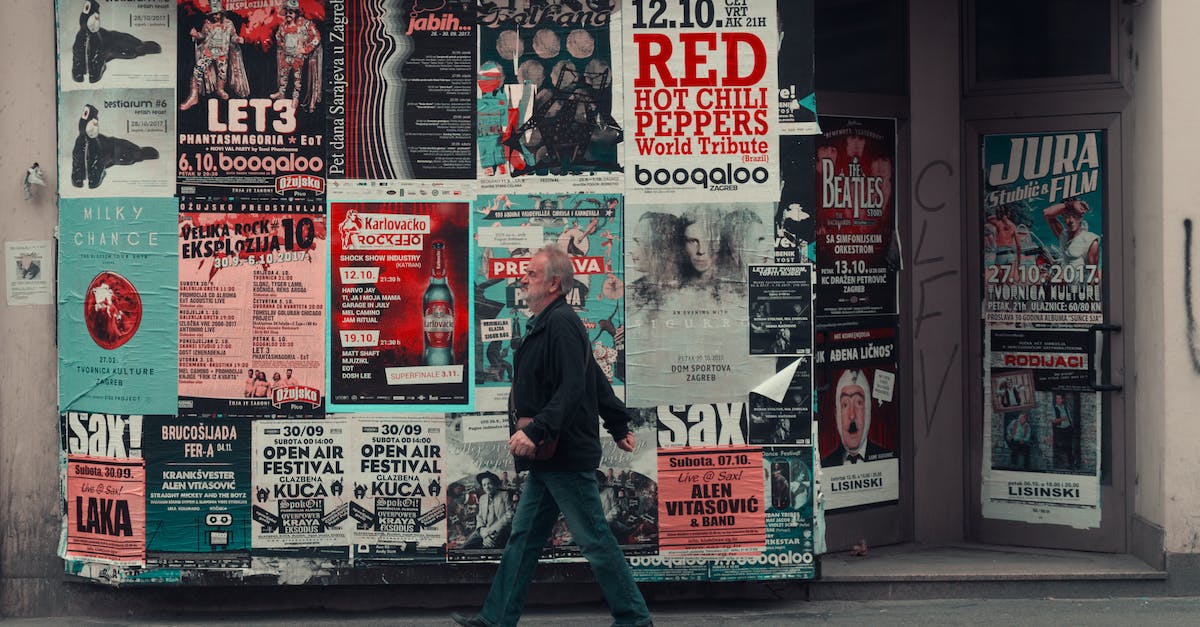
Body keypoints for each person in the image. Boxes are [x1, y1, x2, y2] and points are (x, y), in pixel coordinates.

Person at [452, 246, 651, 627]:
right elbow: (593, 374)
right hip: (550, 458)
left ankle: (635, 621)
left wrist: (537, 430)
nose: (522, 278)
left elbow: (574, 385)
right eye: (524, 272)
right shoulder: (548, 320)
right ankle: (497, 619)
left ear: (554, 283)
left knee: (596, 541)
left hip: (564, 453)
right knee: (523, 539)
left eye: (531, 272)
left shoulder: (560, 322)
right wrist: (618, 423)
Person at [180, 0, 247, 111]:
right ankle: (193, 96)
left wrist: (238, 39)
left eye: (216, 14)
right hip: (209, 52)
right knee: (197, 71)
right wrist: (196, 35)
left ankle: (220, 90)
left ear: (221, 13)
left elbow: (233, 36)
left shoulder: (229, 24)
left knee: (222, 74)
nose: (215, 16)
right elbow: (203, 36)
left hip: (222, 53)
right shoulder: (208, 24)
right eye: (213, 14)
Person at [821, 369, 892, 467]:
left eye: (859, 403)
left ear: (868, 410)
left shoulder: (888, 460)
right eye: (845, 404)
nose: (852, 415)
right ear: (837, 414)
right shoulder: (824, 466)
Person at [270, 0, 322, 111]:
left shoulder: (304, 23)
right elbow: (278, 36)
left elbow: (316, 36)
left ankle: (295, 98)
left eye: (292, 12)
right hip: (286, 56)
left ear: (296, 13)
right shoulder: (283, 25)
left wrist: (306, 49)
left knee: (297, 79)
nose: (289, 14)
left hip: (298, 57)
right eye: (288, 11)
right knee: (283, 76)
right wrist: (282, 44)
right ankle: (281, 93)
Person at [1043, 198, 1100, 276]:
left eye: (1074, 215)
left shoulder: (1090, 241)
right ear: (1062, 216)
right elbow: (1046, 213)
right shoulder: (1063, 236)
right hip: (1066, 286)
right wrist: (1070, 205)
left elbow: (1094, 276)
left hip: (1081, 287)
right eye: (1067, 215)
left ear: (1081, 216)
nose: (1071, 220)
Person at [461, 471, 513, 549]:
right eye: (484, 485)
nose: (487, 487)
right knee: (465, 547)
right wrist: (482, 531)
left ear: (494, 484)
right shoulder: (482, 498)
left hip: (500, 530)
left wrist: (492, 530)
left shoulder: (504, 495)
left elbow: (510, 514)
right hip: (484, 531)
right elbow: (479, 517)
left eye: (489, 483)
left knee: (489, 546)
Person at [1051, 394, 1077, 469]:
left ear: (1062, 399)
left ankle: (1070, 463)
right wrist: (1062, 419)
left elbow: (1069, 418)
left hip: (1068, 429)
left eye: (1059, 398)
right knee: (1062, 446)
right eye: (1056, 398)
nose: (1057, 400)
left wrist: (1071, 427)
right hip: (1060, 429)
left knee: (1069, 446)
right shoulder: (1054, 409)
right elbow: (1053, 420)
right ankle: (1063, 463)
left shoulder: (1065, 408)